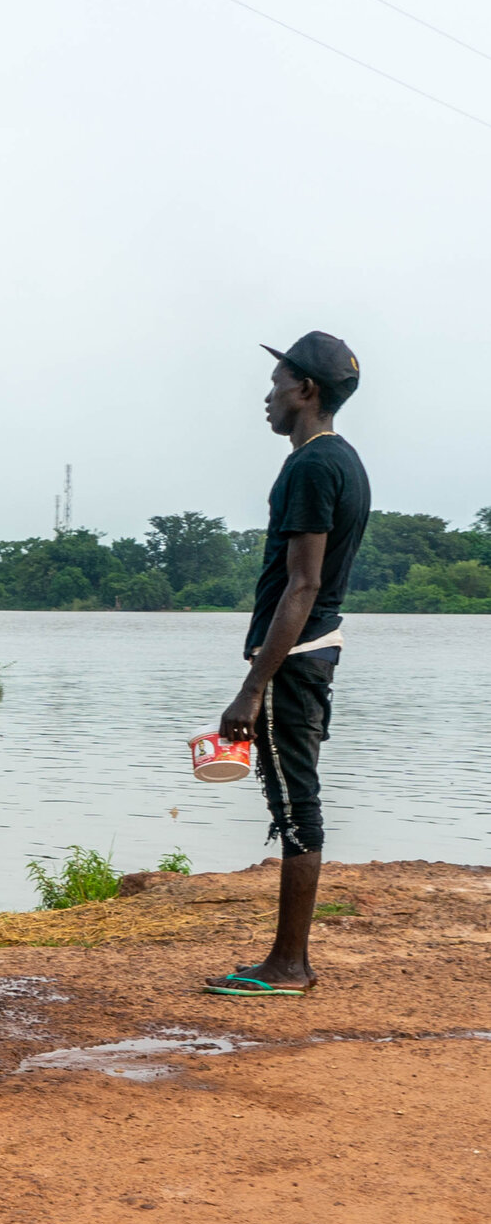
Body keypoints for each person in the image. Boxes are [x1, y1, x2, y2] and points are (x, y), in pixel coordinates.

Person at [207, 332, 369, 997]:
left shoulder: (311, 466)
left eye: (277, 383)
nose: (267, 396)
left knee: (297, 805)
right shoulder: (342, 461)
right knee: (297, 798)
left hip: (294, 658)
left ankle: (288, 965)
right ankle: (288, 959)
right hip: (314, 651)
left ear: (306, 391)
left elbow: (302, 585)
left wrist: (252, 687)